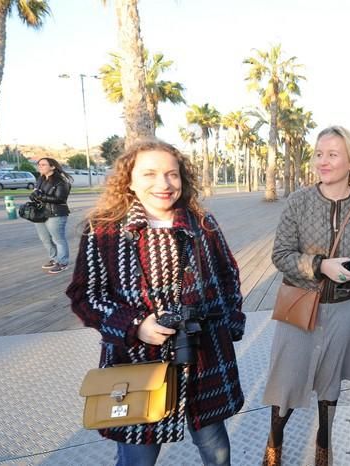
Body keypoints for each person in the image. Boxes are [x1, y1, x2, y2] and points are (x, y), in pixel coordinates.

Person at [66, 138, 245, 466]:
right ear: (130, 181)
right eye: (149, 174)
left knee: (217, 450)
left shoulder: (202, 223)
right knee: (138, 457)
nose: (163, 184)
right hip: (138, 364)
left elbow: (228, 275)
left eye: (172, 174)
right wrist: (135, 326)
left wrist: (230, 322)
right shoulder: (104, 230)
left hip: (203, 357)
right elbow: (85, 296)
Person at [262, 126, 350, 466]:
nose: (323, 161)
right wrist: (320, 266)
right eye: (319, 154)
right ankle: (274, 446)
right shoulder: (299, 202)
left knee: (330, 385)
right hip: (301, 308)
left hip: (345, 310)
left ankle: (323, 448)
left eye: (332, 154)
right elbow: (281, 254)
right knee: (286, 384)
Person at [30, 158, 73, 274]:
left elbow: (60, 199)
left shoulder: (61, 181)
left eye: (43, 165)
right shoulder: (41, 179)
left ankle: (63, 262)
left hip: (56, 213)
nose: (40, 167)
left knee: (58, 239)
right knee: (45, 238)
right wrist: (33, 196)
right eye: (39, 165)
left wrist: (40, 197)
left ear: (52, 167)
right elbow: (35, 193)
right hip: (40, 213)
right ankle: (54, 259)